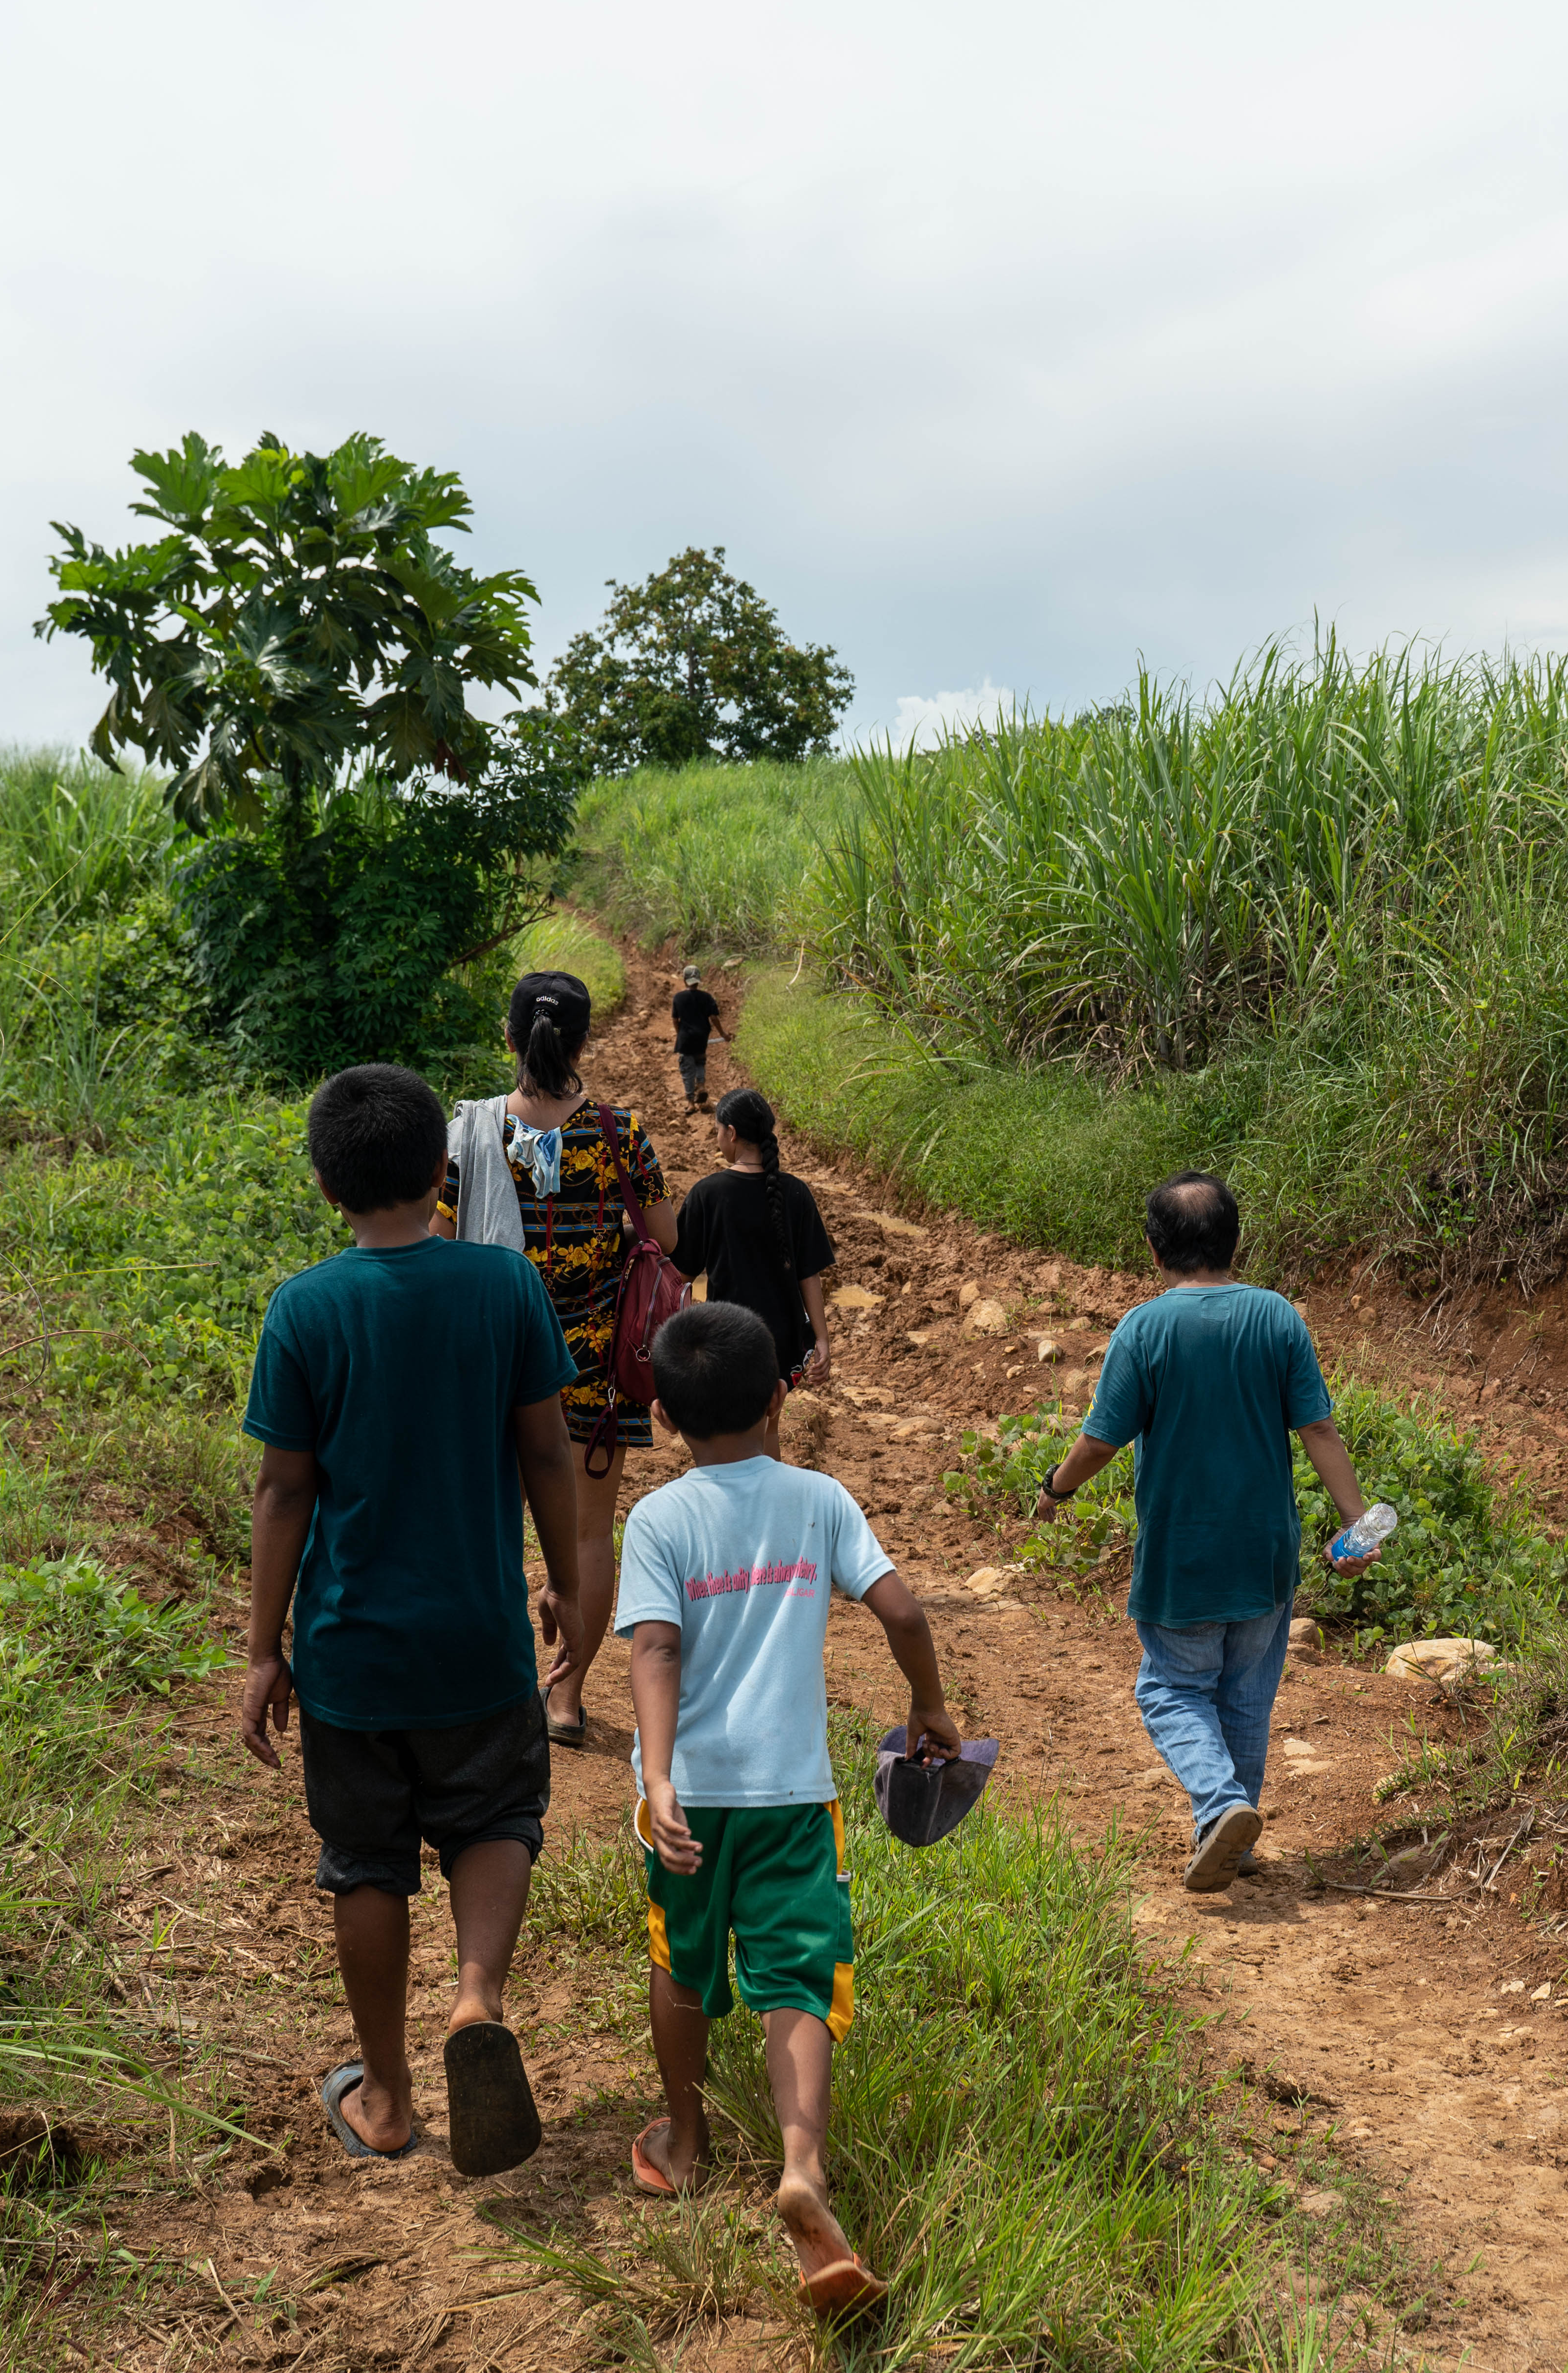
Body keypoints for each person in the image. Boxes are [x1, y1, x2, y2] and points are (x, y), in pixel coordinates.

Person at [240, 1063, 587, 2175]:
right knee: (493, 1814)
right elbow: (545, 1448)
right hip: (478, 1639)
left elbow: (284, 1489)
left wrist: (262, 1648)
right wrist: (571, 1581)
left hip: (350, 1653)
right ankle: (475, 1996)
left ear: (321, 1182)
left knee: (365, 1858)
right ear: (443, 1168)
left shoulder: (304, 1308)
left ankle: (385, 2096)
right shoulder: (503, 1288)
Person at [617, 1301, 957, 2321]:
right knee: (796, 1972)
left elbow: (652, 1649)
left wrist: (661, 1776)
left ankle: (682, 2141)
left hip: (687, 1795)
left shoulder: (659, 1518)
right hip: (792, 1794)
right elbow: (898, 1606)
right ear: (777, 1398)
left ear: (665, 1416)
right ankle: (800, 2163)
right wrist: (928, 1703)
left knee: (682, 1956)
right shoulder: (817, 1499)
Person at [1033, 1173, 1370, 1894]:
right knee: (1245, 1694)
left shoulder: (1144, 1328)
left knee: (1171, 1690)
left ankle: (1220, 1807)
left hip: (1183, 1555)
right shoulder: (1277, 1318)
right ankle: (1231, 1840)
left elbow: (1099, 1441)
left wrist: (1054, 1488)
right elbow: (1317, 1426)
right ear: (1234, 1240)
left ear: (1153, 1249)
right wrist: (1356, 1524)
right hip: (1263, 1553)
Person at [440, 969, 678, 1748]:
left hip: (492, 1363)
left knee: (492, 1525)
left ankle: (499, 1683)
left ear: (509, 1038)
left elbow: (441, 1244)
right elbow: (665, 1240)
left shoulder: (470, 1131)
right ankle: (566, 1697)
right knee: (583, 1536)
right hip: (591, 1372)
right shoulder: (620, 1132)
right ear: (580, 1042)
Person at [671, 1089, 839, 1387]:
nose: (718, 1139)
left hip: (727, 1338)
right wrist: (822, 1340)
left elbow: (680, 1278)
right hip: (783, 1341)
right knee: (769, 1426)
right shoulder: (797, 1193)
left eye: (718, 1131)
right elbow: (809, 1275)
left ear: (732, 1133)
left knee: (733, 1427)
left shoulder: (707, 1194)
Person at [670, 964, 728, 1105]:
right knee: (700, 1063)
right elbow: (714, 1018)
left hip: (686, 1039)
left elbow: (675, 1020)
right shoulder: (707, 997)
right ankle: (701, 1086)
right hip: (702, 1038)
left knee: (687, 1070)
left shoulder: (679, 998)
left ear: (685, 980)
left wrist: (680, 1035)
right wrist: (724, 1035)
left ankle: (690, 1102)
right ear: (698, 980)